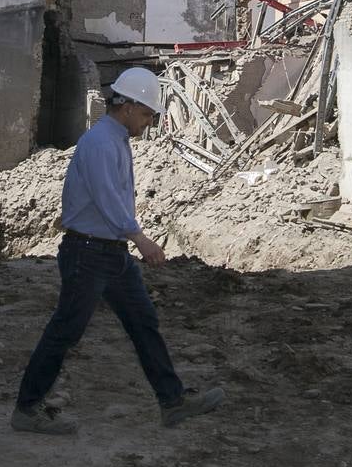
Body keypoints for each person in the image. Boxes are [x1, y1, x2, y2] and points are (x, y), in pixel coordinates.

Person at [12, 67, 224, 435]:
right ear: (126, 107)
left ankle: (172, 402)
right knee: (65, 330)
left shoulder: (116, 139)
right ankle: (27, 408)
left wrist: (129, 242)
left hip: (111, 255)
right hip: (89, 254)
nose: (148, 122)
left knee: (143, 323)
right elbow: (108, 199)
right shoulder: (99, 143)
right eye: (145, 114)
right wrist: (140, 238)